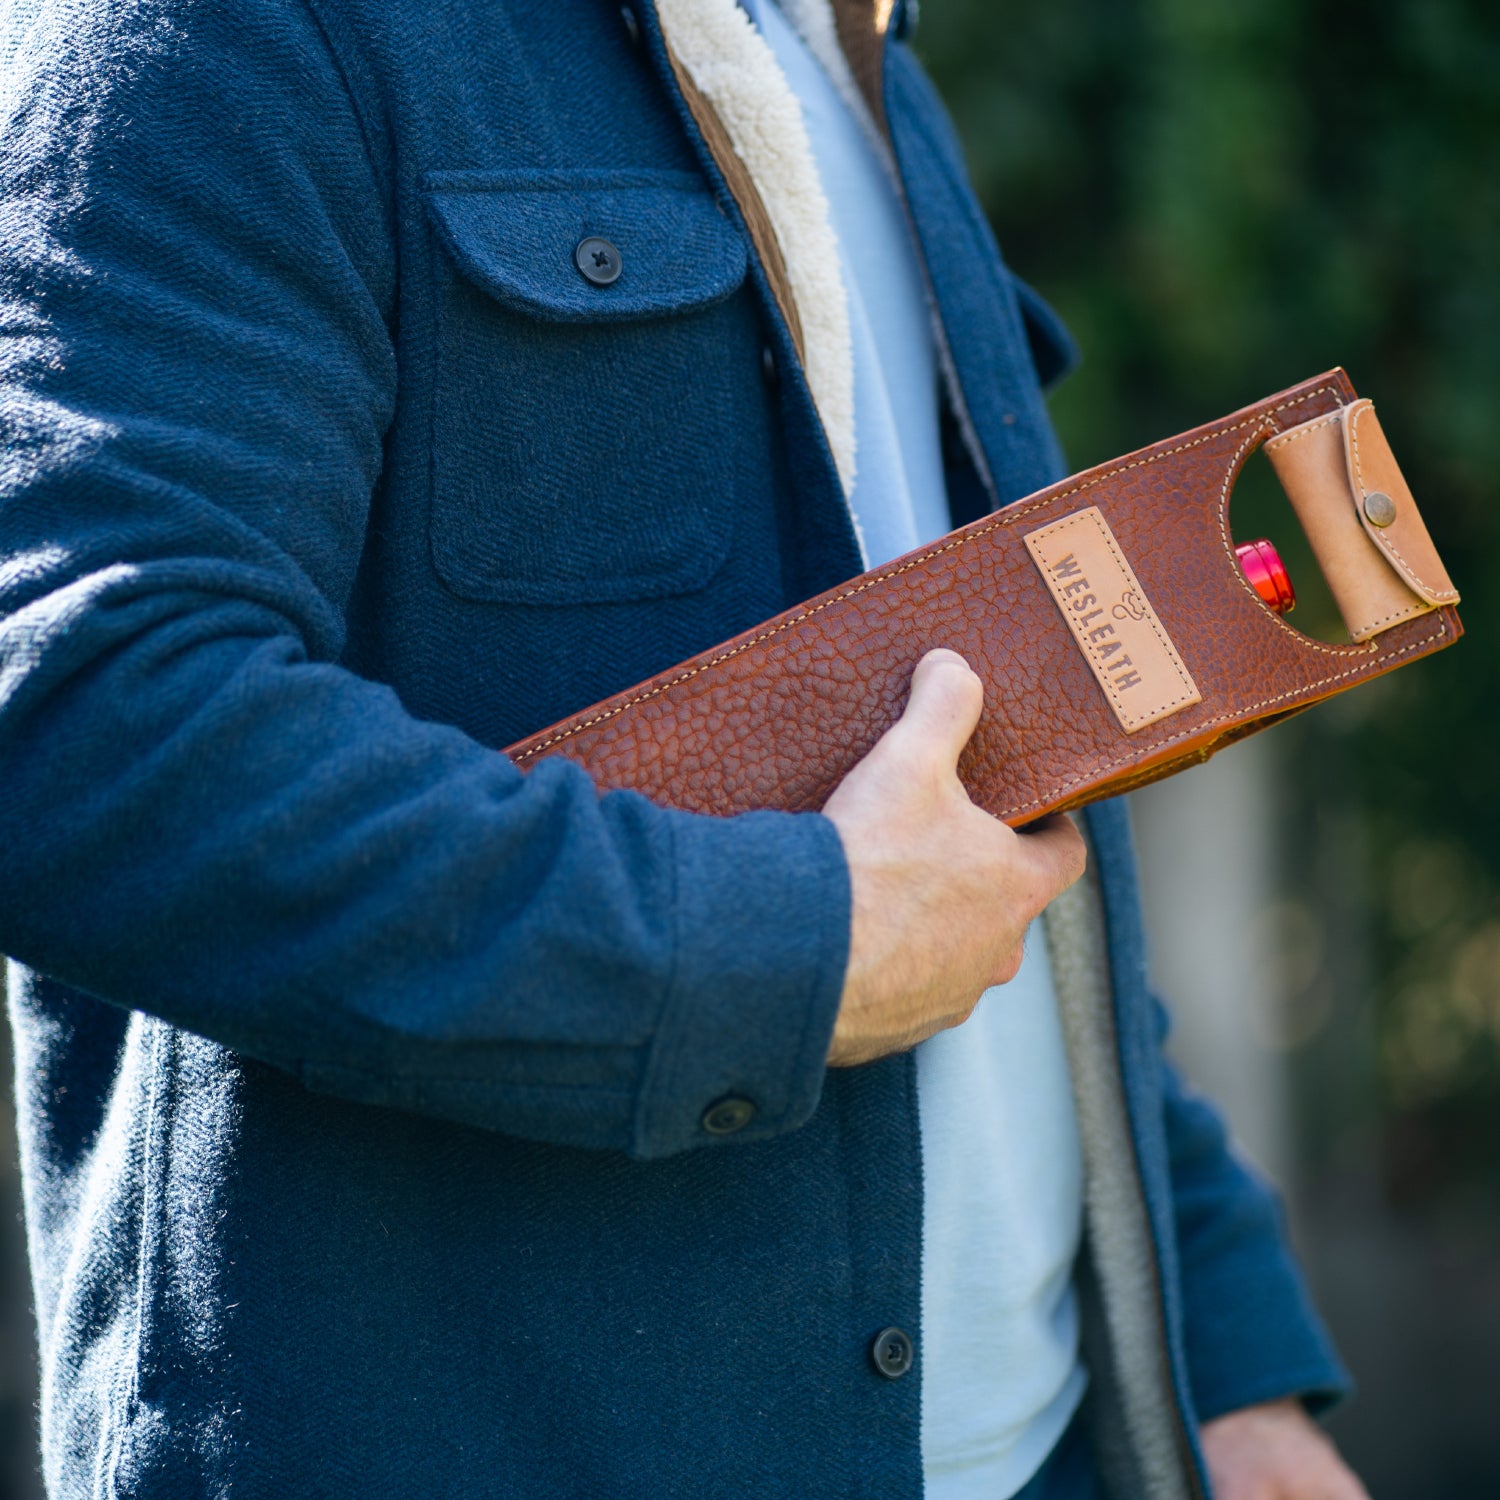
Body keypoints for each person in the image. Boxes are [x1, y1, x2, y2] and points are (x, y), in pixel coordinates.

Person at [0, 0, 1370, 1494]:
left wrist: (1222, 1363)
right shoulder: (231, 31)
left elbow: (1024, 815)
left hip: (1049, 1454)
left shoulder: (855, 61)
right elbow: (83, 727)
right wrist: (791, 948)